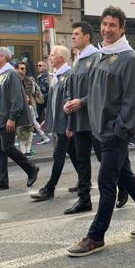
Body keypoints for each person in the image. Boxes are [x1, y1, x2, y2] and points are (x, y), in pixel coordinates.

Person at [67, 7, 135, 257]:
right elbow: (97, 94)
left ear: (122, 28)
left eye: (113, 25)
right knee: (124, 176)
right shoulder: (101, 54)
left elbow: (134, 101)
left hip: (113, 135)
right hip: (100, 131)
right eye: (104, 24)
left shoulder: (128, 58)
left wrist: (117, 131)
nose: (107, 29)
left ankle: (95, 237)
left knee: (106, 183)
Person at [0, 47, 39, 191]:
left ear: (3, 57)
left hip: (5, 119)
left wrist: (12, 118)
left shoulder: (11, 74)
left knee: (7, 147)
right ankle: (1, 180)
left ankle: (31, 168)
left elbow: (17, 99)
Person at [64, 21, 104, 214]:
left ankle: (123, 189)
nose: (73, 37)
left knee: (106, 159)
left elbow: (99, 91)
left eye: (76, 34)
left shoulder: (96, 57)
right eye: (72, 34)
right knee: (82, 161)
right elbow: (72, 93)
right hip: (79, 121)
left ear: (87, 37)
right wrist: (70, 119)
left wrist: (82, 102)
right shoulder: (77, 60)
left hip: (94, 120)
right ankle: (84, 199)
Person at [30, 46, 79, 202]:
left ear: (62, 58)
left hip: (65, 124)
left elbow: (69, 103)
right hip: (59, 123)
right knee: (73, 153)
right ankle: (84, 181)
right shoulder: (57, 75)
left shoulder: (69, 75)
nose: (49, 58)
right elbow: (53, 102)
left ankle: (49, 188)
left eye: (52, 55)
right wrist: (47, 119)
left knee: (58, 154)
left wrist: (70, 125)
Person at [15, 62, 37, 157]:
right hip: (18, 107)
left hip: (28, 106)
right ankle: (23, 151)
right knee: (20, 129)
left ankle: (27, 150)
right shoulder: (13, 80)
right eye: (21, 68)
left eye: (25, 68)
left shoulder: (28, 80)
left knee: (30, 128)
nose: (24, 70)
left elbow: (30, 93)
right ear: (16, 69)